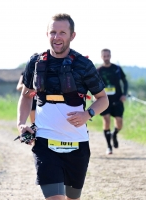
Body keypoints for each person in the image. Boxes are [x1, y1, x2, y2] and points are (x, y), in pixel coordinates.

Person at [17, 13, 109, 200]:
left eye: (62, 32)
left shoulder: (84, 65)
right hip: (44, 144)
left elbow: (103, 99)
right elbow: (26, 96)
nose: (57, 37)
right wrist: (21, 123)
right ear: (47, 34)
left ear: (72, 35)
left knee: (72, 198)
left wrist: (87, 114)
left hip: (77, 145)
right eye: (53, 32)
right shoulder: (35, 63)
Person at [97, 49, 128, 155]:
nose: (106, 58)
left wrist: (124, 94)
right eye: (104, 56)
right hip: (104, 100)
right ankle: (109, 146)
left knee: (119, 124)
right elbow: (93, 85)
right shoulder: (98, 71)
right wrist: (94, 96)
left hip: (117, 99)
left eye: (108, 56)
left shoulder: (117, 69)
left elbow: (125, 81)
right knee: (106, 121)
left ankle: (114, 134)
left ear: (110, 56)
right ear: (101, 57)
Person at [16, 54, 38, 124]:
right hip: (30, 96)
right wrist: (29, 86)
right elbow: (19, 86)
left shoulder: (42, 72)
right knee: (34, 123)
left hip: (40, 98)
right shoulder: (25, 73)